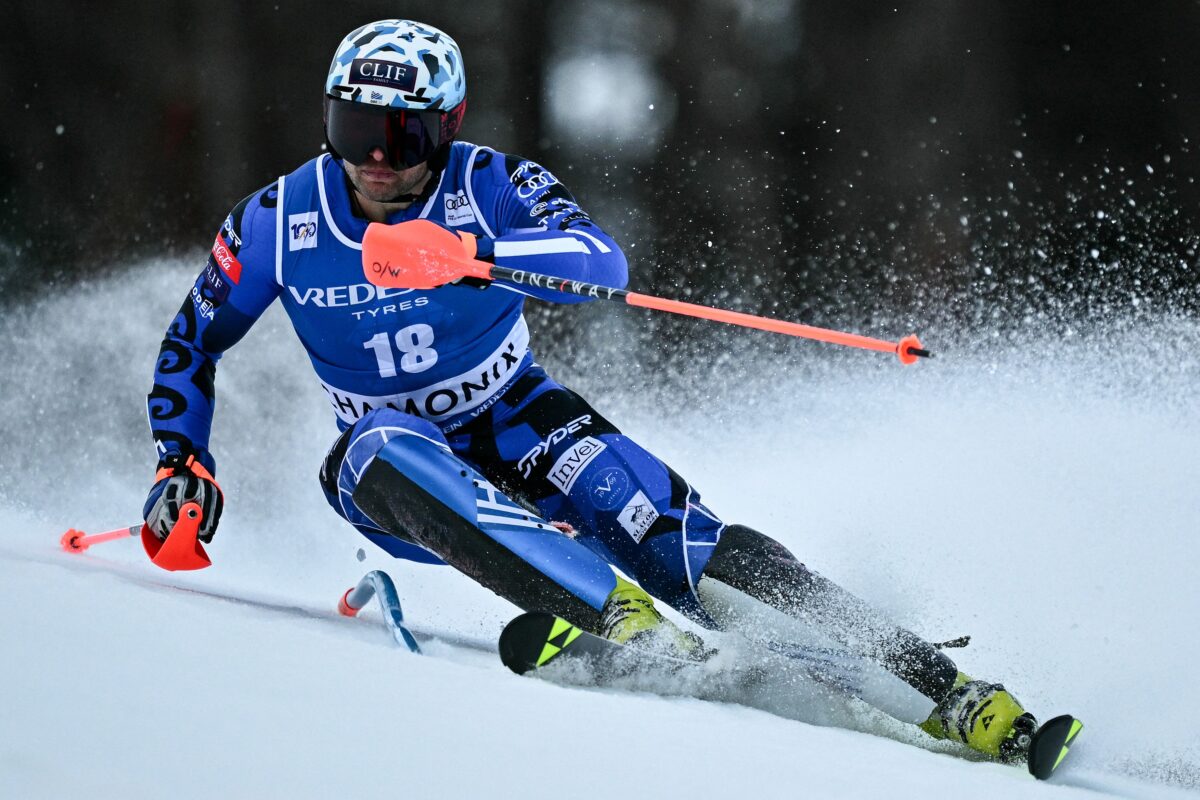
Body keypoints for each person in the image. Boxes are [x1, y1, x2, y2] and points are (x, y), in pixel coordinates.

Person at [144, 19, 1036, 761]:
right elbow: (192, 341)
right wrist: (183, 462)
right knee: (381, 448)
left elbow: (599, 262)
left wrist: (472, 261)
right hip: (393, 473)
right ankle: (625, 628)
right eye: (352, 131)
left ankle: (945, 695)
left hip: (520, 416)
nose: (375, 162)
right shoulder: (277, 221)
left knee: (679, 539)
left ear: (446, 128)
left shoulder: (490, 186)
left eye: (402, 137)